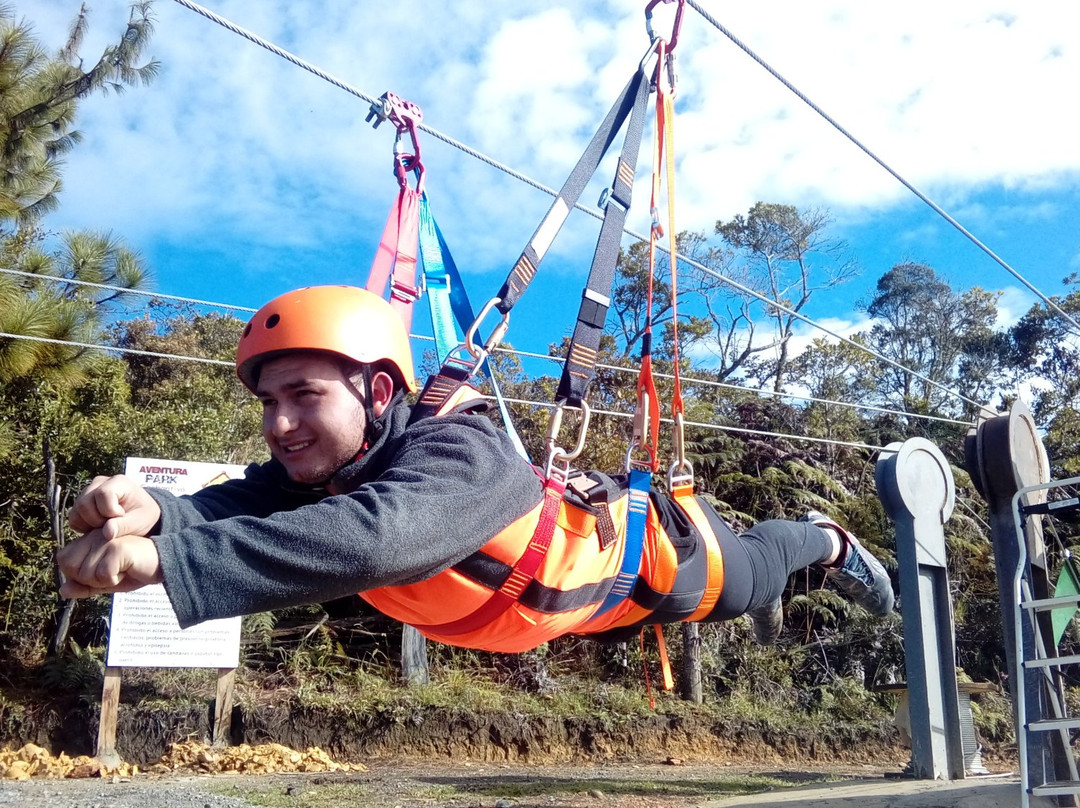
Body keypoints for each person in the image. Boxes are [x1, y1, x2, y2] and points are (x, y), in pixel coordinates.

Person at [57, 285, 893, 652]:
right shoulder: (320, 476)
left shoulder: (463, 452)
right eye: (268, 404)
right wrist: (155, 510)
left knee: (751, 578)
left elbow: (380, 539)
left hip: (652, 571)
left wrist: (176, 559)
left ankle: (826, 542)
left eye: (303, 396)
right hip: (564, 619)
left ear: (379, 390)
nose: (280, 424)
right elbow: (234, 502)